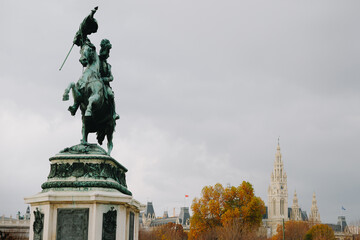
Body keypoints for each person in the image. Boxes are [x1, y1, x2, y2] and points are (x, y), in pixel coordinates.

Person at [99, 39, 119, 120]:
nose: (107, 53)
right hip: (94, 81)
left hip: (104, 85)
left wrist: (104, 79)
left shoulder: (108, 66)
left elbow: (111, 77)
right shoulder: (96, 61)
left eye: (108, 51)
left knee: (110, 94)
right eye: (106, 50)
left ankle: (113, 113)